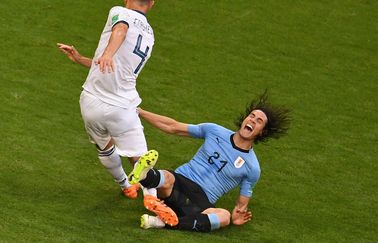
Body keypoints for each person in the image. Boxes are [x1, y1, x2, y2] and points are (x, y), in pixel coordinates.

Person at [130, 92, 291, 232]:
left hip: (201, 201)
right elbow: (173, 127)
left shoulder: (252, 168)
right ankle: (146, 175)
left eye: (259, 121)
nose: (253, 120)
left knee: (224, 217)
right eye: (252, 116)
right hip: (179, 182)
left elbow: (240, 207)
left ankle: (162, 218)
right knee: (168, 177)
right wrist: (140, 112)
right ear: (245, 118)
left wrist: (237, 217)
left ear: (262, 131)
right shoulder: (214, 131)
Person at [57, 0, 158, 200]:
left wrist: (108, 54)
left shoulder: (120, 11)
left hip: (91, 101)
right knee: (140, 157)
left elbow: (120, 29)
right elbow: (116, 67)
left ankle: (125, 185)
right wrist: (82, 59)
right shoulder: (150, 35)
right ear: (152, 4)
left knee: (104, 145)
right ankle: (151, 196)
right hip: (122, 108)